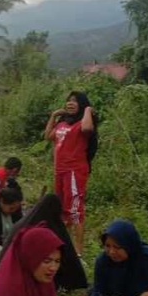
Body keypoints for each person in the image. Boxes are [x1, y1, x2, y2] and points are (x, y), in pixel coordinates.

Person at [44, 91, 97, 256]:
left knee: (75, 211)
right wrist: (53, 116)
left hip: (74, 172)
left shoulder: (81, 124)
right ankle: (62, 245)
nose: (70, 103)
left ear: (81, 104)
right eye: (69, 100)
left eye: (75, 101)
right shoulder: (62, 124)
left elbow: (88, 127)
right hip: (59, 172)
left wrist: (88, 109)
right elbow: (48, 136)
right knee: (61, 210)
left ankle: (78, 252)